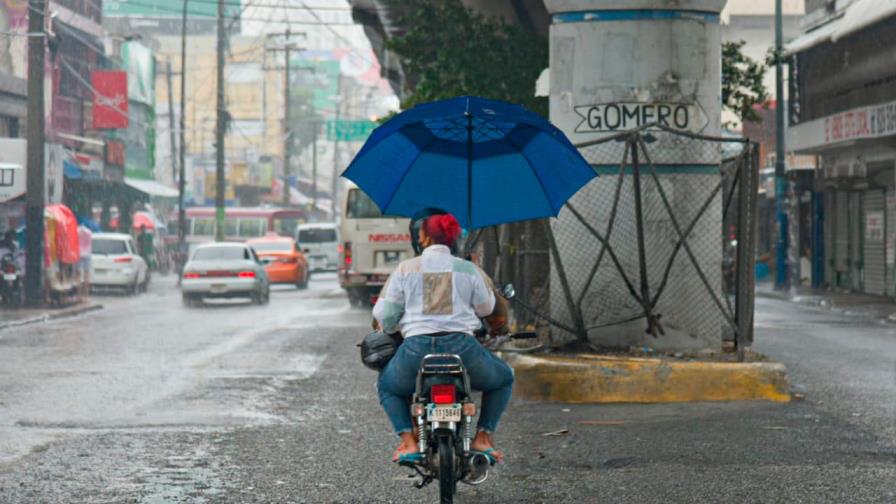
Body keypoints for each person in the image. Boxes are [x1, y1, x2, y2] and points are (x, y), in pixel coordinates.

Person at [373, 210, 513, 464]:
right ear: (453, 237)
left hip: (415, 352)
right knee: (504, 378)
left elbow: (385, 316)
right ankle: (482, 437)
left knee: (387, 385)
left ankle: (408, 443)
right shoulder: (468, 270)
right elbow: (486, 309)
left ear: (423, 236)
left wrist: (397, 326)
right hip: (464, 350)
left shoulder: (406, 269)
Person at [77, 224, 92, 299]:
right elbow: (90, 242)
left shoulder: (77, 231)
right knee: (86, 275)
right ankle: (86, 295)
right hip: (87, 255)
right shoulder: (89, 232)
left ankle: (79, 295)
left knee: (79, 276)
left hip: (79, 254)